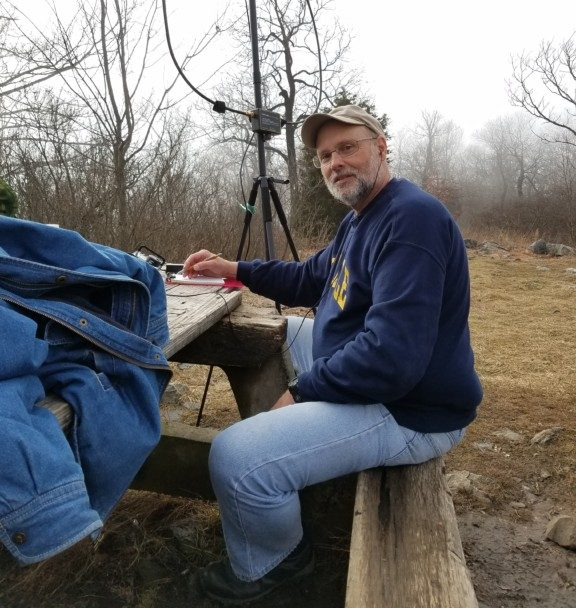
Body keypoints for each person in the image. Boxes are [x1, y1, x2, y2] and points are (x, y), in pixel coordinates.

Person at [182, 104, 483, 605]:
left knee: (235, 457)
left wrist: (301, 391)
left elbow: (391, 358)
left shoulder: (412, 220)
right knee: (275, 335)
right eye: (325, 156)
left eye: (347, 148)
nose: (334, 162)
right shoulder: (361, 219)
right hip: (383, 378)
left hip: (411, 409)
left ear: (381, 147)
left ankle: (272, 563)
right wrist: (232, 268)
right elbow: (309, 278)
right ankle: (287, 458)